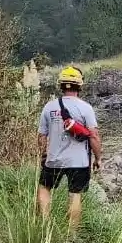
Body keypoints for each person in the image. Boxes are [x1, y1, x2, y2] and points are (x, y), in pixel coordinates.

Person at [37, 66, 102, 231]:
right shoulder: (86, 108)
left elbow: (41, 136)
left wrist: (43, 155)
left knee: (44, 188)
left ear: (60, 85)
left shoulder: (49, 107)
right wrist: (98, 158)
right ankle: (71, 234)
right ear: (79, 86)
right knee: (75, 195)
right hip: (79, 162)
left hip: (53, 159)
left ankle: (45, 225)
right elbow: (94, 136)